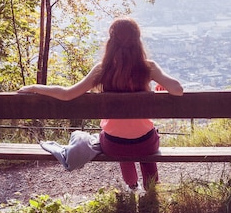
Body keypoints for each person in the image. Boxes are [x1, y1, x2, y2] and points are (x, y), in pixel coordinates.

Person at [18, 18, 184, 190]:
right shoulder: (148, 68)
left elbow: (67, 94)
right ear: (137, 40)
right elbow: (178, 90)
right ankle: (151, 188)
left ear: (111, 41)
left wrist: (36, 87)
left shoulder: (102, 69)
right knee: (146, 136)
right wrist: (161, 90)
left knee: (119, 137)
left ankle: (131, 185)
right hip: (145, 144)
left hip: (114, 145)